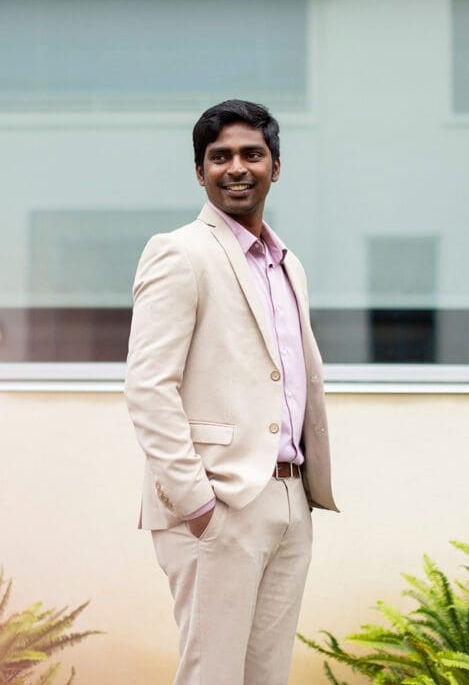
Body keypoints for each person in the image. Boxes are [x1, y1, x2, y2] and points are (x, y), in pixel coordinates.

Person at [125, 99, 339, 684]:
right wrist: (197, 502)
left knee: (266, 677)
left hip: (291, 499)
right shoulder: (179, 253)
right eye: (219, 157)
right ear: (201, 172)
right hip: (219, 503)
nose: (236, 167)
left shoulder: (286, 265)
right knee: (212, 675)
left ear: (276, 166)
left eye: (252, 154)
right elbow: (148, 387)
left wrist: (304, 495)